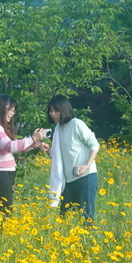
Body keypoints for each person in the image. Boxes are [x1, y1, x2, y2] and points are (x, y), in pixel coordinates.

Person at [0, 94, 47, 214]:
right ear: (2, 108)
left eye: (14, 111)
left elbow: (13, 145)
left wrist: (32, 144)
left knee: (1, 213)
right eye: (11, 110)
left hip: (3, 175)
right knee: (2, 214)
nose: (12, 113)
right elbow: (9, 146)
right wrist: (32, 138)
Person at [45, 95, 100, 223]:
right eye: (51, 111)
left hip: (85, 178)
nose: (53, 114)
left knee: (86, 217)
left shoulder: (76, 124)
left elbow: (94, 144)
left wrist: (86, 166)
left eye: (56, 111)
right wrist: (48, 150)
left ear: (64, 109)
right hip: (68, 181)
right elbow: (60, 156)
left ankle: (87, 242)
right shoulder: (58, 129)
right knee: (63, 219)